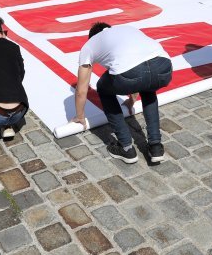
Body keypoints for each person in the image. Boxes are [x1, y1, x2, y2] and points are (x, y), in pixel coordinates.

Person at [71, 22, 172, 164]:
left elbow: (81, 90)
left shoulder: (90, 44)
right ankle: (155, 146)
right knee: (148, 87)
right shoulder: (127, 29)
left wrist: (80, 116)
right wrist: (131, 100)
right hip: (164, 67)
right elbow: (140, 64)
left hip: (134, 71)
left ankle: (126, 148)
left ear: (92, 36)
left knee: (103, 87)